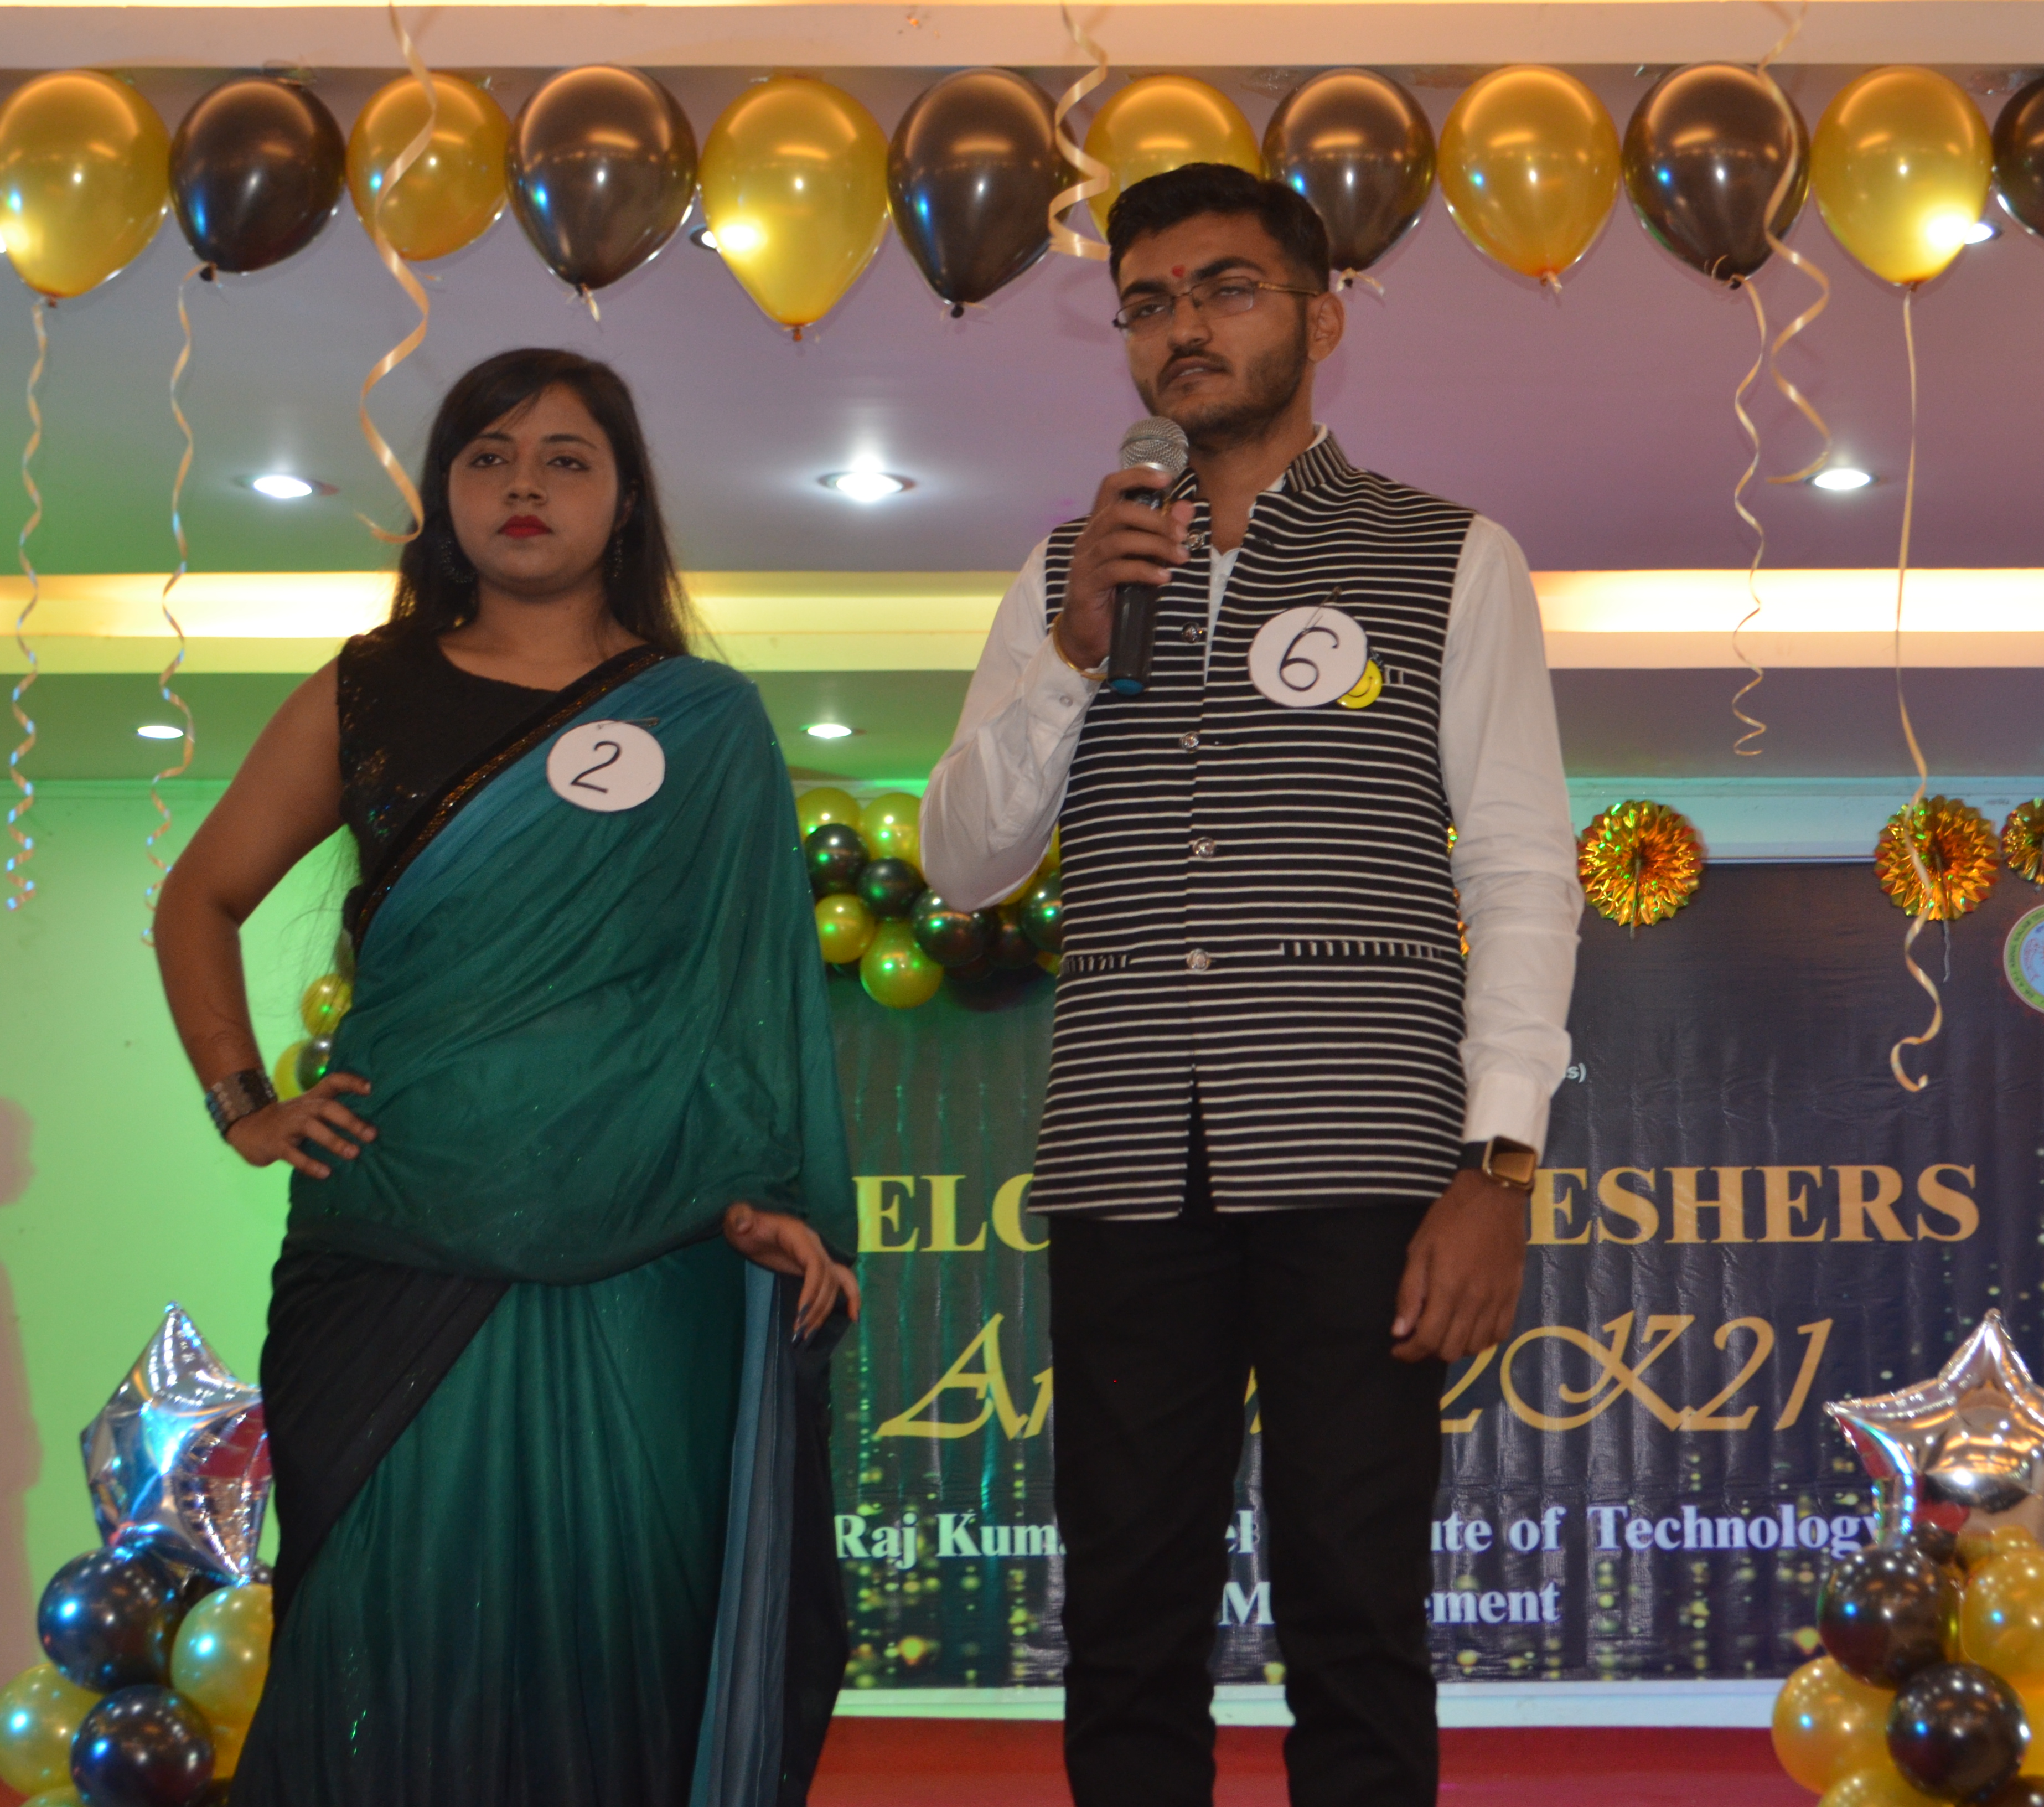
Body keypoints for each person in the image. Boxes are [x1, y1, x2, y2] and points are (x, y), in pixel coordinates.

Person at [920, 164, 1582, 1807]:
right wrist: (1075, 648)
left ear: (1322, 322)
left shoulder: (1450, 555)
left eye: (1226, 288)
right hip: (1125, 1161)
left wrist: (1499, 1166)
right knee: (1124, 1616)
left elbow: (1519, 872)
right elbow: (967, 861)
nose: (1182, 327)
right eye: (1148, 302)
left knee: (1357, 1613)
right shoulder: (1066, 570)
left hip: (1365, 1159)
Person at [152, 347, 860, 1807]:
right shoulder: (369, 692)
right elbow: (198, 899)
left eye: (564, 457)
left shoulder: (704, 720)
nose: (523, 484)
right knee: (381, 1627)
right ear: (445, 494)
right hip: (394, 1232)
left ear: (626, 498)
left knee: (628, 1628)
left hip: (648, 1254)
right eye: (488, 455)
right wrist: (244, 1104)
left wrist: (764, 1193)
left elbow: (740, 995)